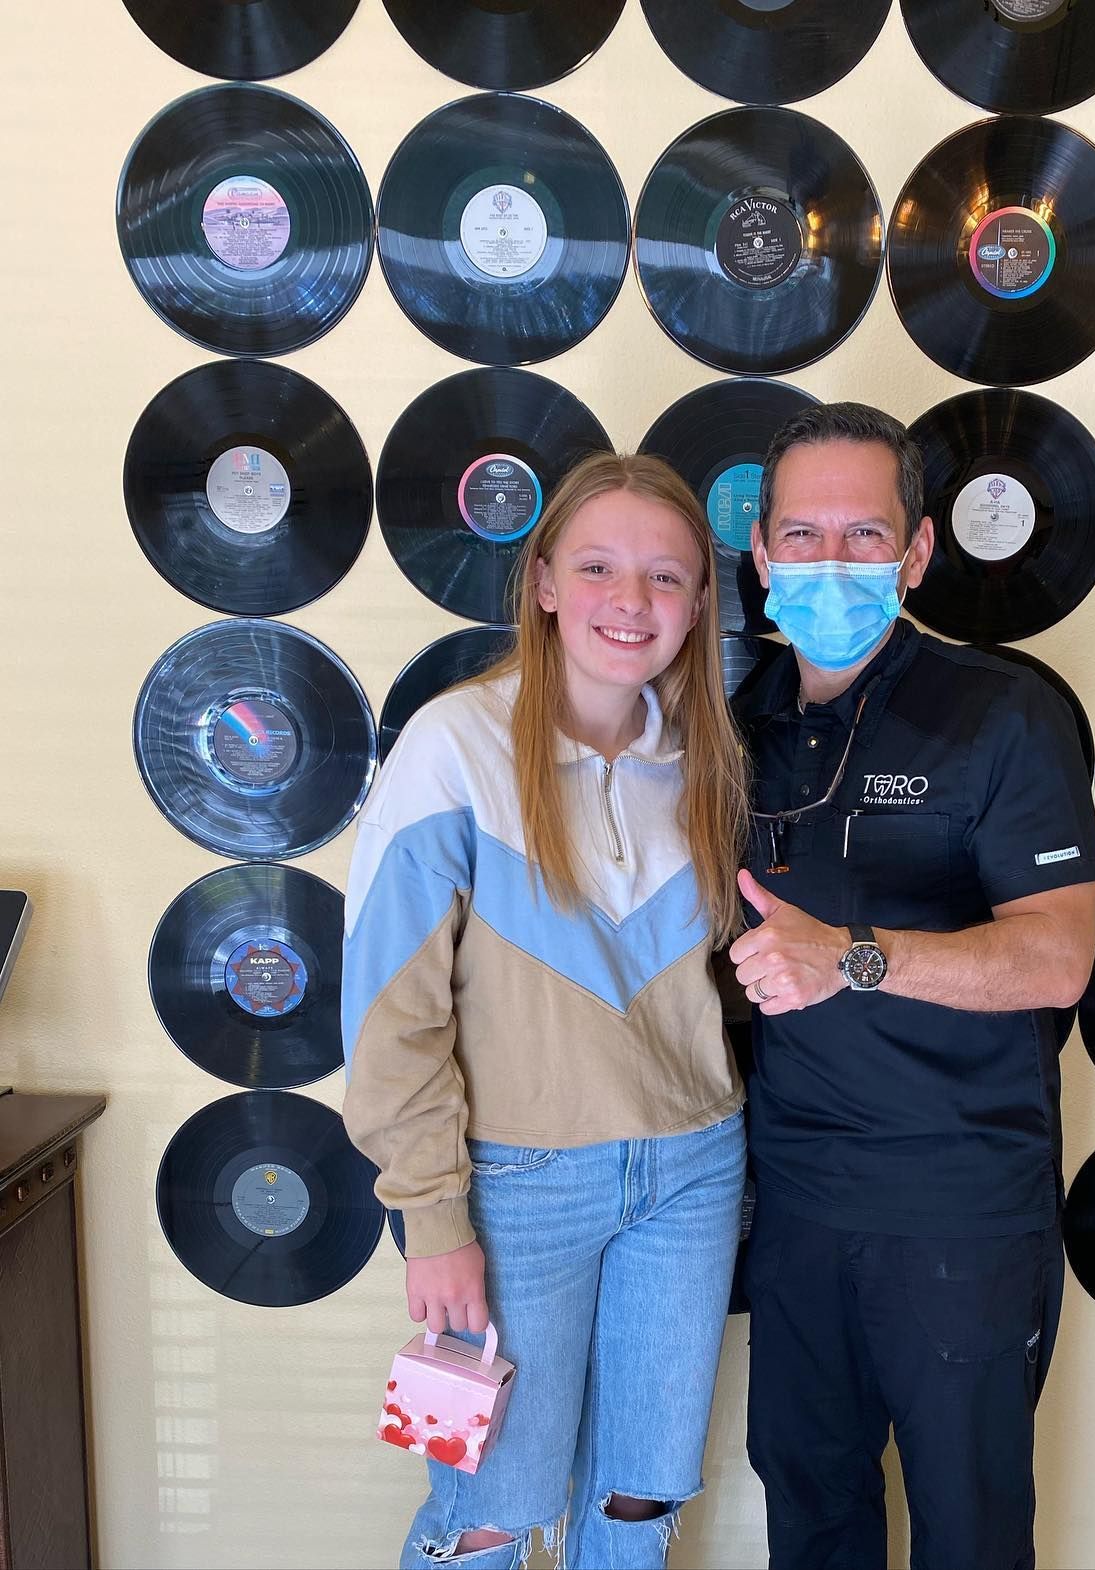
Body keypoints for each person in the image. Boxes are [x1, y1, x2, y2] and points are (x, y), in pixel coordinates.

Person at [342, 452, 749, 1570]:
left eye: (668, 577)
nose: (634, 601)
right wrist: (433, 1219)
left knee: (640, 1500)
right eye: (601, 566)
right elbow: (393, 1016)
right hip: (514, 1187)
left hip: (693, 1174)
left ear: (700, 604)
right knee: (486, 1516)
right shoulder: (451, 749)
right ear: (546, 583)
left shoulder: (705, 762)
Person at [727, 403, 1095, 1570]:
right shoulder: (740, 729)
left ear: (918, 553)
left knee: (971, 1529)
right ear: (760, 555)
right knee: (812, 1512)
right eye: (801, 535)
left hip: (960, 1214)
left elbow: (1056, 955)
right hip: (795, 1207)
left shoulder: (1004, 714)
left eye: (861, 534)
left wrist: (853, 954)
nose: (828, 560)